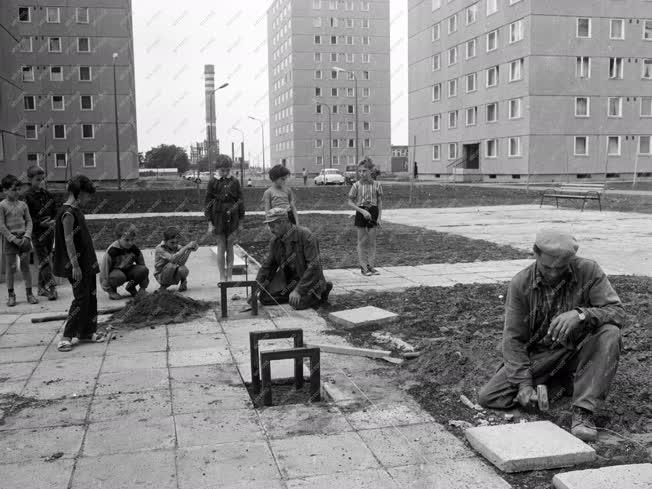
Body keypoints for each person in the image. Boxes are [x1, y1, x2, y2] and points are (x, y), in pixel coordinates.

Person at [477, 229, 625, 442]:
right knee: (490, 396)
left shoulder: (589, 271)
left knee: (610, 333)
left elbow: (618, 312)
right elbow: (513, 339)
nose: (554, 274)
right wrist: (524, 385)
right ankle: (562, 383)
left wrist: (581, 315)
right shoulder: (521, 284)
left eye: (562, 268)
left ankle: (583, 412)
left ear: (571, 260)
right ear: (535, 254)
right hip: (542, 355)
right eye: (548, 267)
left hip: (579, 350)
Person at [53, 175, 105, 352]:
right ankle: (67, 336)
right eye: (88, 195)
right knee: (81, 298)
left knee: (91, 296)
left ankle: (87, 332)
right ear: (80, 193)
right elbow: (68, 241)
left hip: (87, 261)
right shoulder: (67, 213)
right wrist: (74, 266)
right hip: (77, 265)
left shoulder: (76, 210)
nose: (89, 199)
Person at [251, 207, 332, 310]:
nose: (271, 230)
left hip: (310, 280)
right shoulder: (275, 241)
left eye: (273, 225)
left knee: (297, 304)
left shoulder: (306, 236)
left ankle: (322, 290)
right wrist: (256, 289)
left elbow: (314, 266)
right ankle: (293, 294)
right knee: (264, 298)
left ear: (284, 222)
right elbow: (268, 266)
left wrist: (299, 290)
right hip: (290, 281)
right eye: (269, 226)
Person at [204, 154, 244, 283]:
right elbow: (207, 203)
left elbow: (240, 201)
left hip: (233, 217)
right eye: (222, 170)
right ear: (217, 169)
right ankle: (222, 276)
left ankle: (230, 276)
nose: (225, 173)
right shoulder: (212, 182)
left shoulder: (235, 181)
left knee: (230, 245)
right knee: (221, 245)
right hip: (218, 217)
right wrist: (210, 223)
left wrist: (241, 222)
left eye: (227, 170)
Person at [0, 175, 37, 307]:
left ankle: (29, 294)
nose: (17, 192)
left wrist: (27, 236)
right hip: (10, 241)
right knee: (11, 269)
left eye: (18, 189)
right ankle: (11, 295)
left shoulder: (23, 205)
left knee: (25, 267)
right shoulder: (2, 205)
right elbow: (2, 226)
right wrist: (13, 239)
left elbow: (29, 221)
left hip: (24, 240)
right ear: (5, 190)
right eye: (13, 189)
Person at [24, 165, 58, 301]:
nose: (41, 182)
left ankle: (41, 288)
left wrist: (53, 220)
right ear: (30, 179)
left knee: (46, 259)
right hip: (37, 233)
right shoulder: (26, 197)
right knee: (44, 260)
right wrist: (40, 223)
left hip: (50, 231)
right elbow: (27, 218)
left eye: (42, 179)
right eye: (38, 179)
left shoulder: (47, 194)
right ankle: (52, 288)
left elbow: (55, 210)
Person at [348, 158, 383, 276]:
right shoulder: (356, 185)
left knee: (372, 242)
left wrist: (379, 218)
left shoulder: (377, 185)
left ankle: (371, 266)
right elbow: (350, 202)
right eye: (360, 171)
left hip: (373, 212)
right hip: (361, 212)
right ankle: (363, 267)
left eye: (364, 171)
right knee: (362, 242)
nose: (361, 173)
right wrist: (362, 211)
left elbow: (379, 202)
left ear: (371, 171)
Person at [100, 222, 149, 300]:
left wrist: (143, 287)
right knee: (119, 276)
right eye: (126, 240)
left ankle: (131, 287)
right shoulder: (112, 251)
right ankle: (113, 291)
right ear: (118, 238)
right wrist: (108, 289)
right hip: (115, 273)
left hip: (128, 270)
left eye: (132, 240)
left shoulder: (134, 249)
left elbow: (143, 267)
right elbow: (104, 272)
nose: (130, 243)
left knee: (143, 270)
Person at [154, 226, 198, 291]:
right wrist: (186, 247)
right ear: (165, 241)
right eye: (172, 242)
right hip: (161, 276)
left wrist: (190, 249)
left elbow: (182, 262)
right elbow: (173, 259)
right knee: (171, 266)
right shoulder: (159, 249)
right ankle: (163, 286)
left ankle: (183, 282)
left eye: (177, 242)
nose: (175, 245)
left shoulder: (177, 247)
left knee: (183, 269)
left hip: (173, 274)